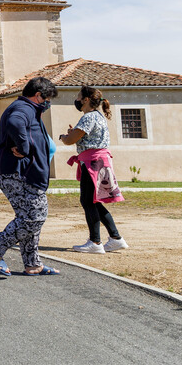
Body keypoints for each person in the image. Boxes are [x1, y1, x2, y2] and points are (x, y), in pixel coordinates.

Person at [0, 76, 61, 277]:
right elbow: (15, 123)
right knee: (35, 216)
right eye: (48, 99)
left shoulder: (29, 108)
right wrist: (24, 148)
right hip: (14, 170)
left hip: (22, 171)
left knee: (29, 216)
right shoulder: (23, 108)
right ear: (38, 95)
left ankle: (32, 264)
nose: (49, 103)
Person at [60, 86, 127, 254]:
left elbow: (70, 140)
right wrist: (73, 134)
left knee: (87, 200)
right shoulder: (98, 116)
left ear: (86, 100)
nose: (76, 100)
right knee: (93, 201)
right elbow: (80, 136)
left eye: (78, 97)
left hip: (92, 162)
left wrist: (64, 137)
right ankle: (115, 238)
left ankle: (95, 242)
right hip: (99, 161)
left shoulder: (88, 117)